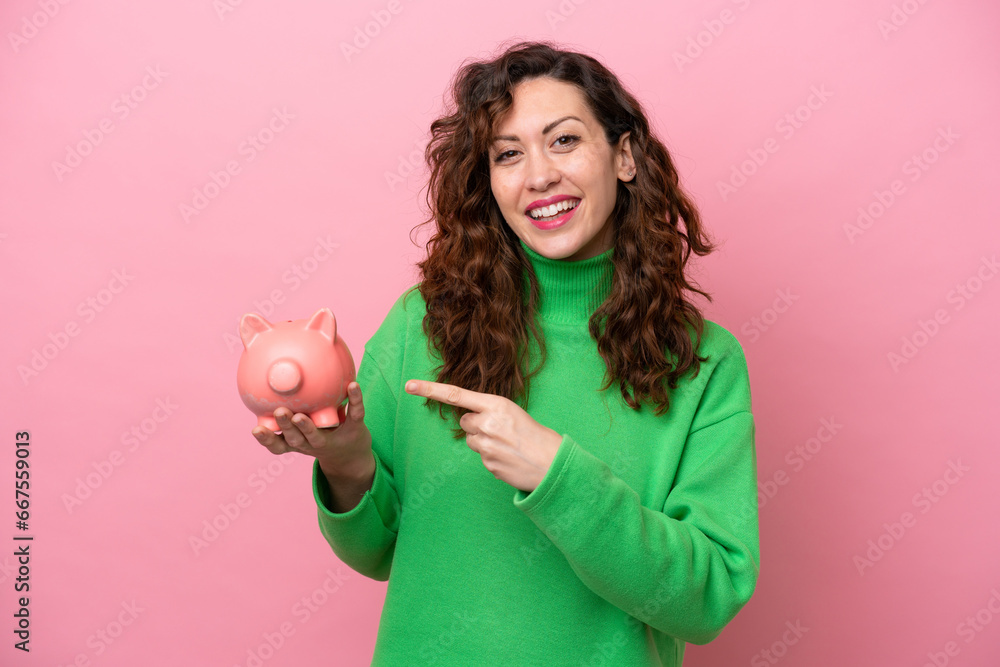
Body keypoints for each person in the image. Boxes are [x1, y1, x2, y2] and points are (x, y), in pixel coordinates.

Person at [251, 40, 759, 666]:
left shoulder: (704, 361)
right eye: (508, 154)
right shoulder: (422, 323)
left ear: (624, 156)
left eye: (564, 140)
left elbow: (707, 600)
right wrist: (346, 460)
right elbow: (378, 552)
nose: (538, 175)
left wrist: (557, 477)